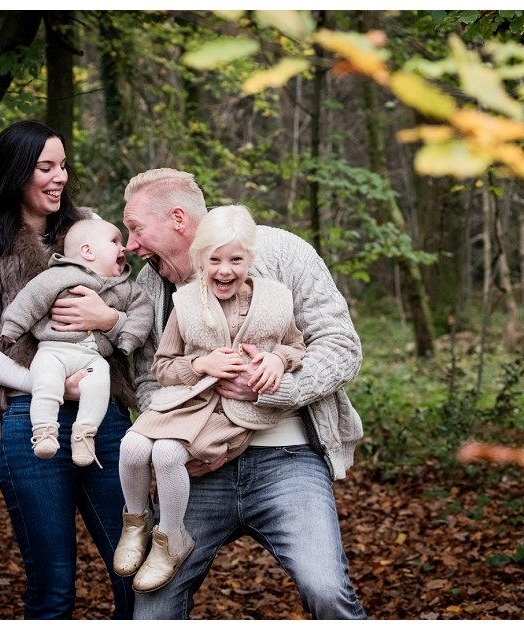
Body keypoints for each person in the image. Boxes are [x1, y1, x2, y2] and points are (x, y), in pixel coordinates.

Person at [119, 168, 367, 619]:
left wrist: (272, 387)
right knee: (153, 607)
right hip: (197, 470)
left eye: (136, 228)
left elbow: (340, 345)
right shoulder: (151, 285)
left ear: (178, 219)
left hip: (287, 460)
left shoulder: (282, 252)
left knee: (326, 588)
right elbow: (149, 379)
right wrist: (181, 435)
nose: (130, 244)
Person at [0, 120, 136, 619]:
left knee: (138, 575)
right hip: (30, 422)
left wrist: (111, 319)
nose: (60, 177)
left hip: (107, 420)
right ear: (16, 172)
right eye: (45, 167)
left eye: (63, 165)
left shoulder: (88, 229)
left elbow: (137, 310)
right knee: (53, 590)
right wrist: (51, 384)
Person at [114, 205, 306, 594]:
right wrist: (201, 363)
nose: (224, 270)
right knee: (132, 445)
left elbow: (296, 347)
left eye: (236, 259)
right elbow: (163, 366)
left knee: (167, 455)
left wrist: (276, 358)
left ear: (250, 259)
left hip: (232, 415)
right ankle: (135, 521)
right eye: (214, 259)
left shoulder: (276, 300)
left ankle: (170, 538)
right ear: (199, 259)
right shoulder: (184, 303)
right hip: (186, 402)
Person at [0, 219, 153, 467]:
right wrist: (13, 327)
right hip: (53, 350)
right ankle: (44, 430)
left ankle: (85, 434)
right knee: (47, 382)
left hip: (93, 357)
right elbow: (31, 299)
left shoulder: (126, 288)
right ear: (88, 251)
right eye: (115, 242)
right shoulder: (58, 276)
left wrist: (127, 340)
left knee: (99, 384)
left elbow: (142, 311)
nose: (123, 248)